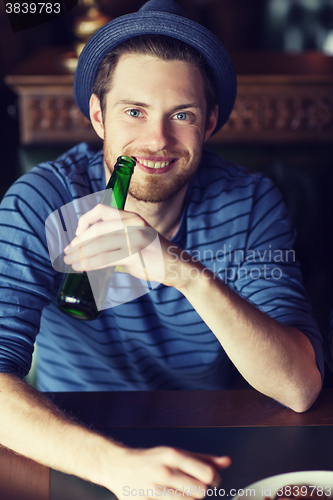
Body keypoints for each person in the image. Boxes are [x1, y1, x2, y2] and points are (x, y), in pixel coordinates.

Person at [0, 0, 324, 496]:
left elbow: (299, 388)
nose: (157, 140)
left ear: (209, 122)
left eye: (182, 114)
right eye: (134, 112)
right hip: (74, 443)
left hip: (214, 436)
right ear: (98, 116)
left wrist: (180, 269)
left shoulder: (251, 201)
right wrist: (116, 468)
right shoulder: (41, 203)